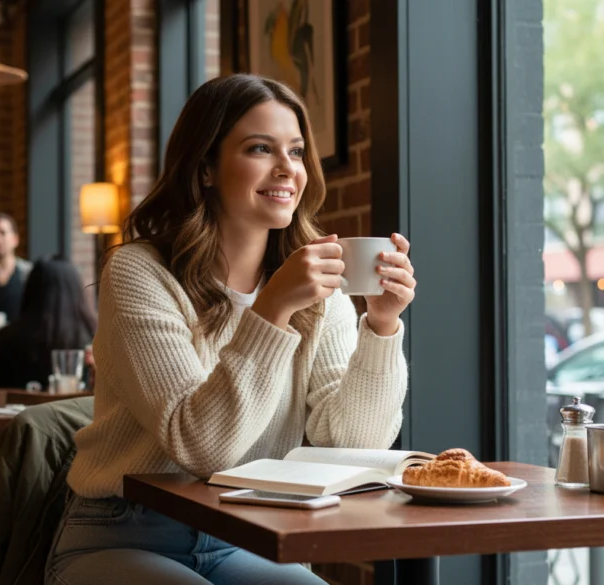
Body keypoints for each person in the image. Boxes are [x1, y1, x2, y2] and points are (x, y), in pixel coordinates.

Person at [45, 74, 417, 584]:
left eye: (296, 151)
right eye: (260, 149)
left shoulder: (316, 290)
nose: (288, 168)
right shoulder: (139, 272)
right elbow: (200, 448)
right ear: (205, 168)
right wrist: (270, 310)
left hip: (245, 535)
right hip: (123, 532)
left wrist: (381, 324)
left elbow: (353, 440)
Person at [0, 257, 97, 389]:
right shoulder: (93, 340)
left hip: (20, 409)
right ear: (77, 291)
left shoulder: (6, 338)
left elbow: (0, 393)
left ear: (31, 290)